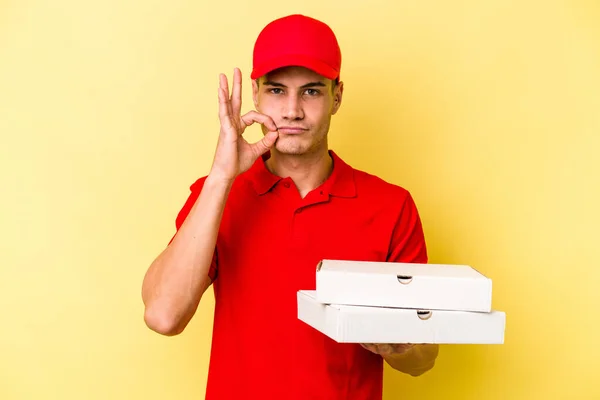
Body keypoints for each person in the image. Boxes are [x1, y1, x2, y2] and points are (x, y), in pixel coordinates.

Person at [142, 14, 439, 400]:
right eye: (277, 91)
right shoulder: (216, 195)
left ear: (337, 95)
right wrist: (220, 177)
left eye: (312, 91)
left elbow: (425, 358)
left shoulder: (390, 205)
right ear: (255, 93)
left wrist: (397, 345)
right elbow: (164, 316)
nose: (293, 111)